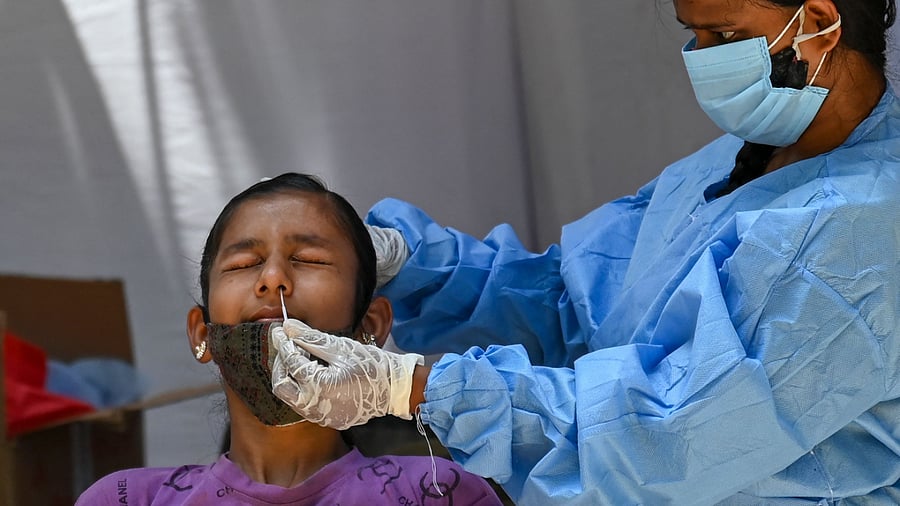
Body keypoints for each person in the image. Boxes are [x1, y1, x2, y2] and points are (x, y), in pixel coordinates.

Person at [268, 0, 900, 504]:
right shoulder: (734, 162)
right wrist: (410, 262)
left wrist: (416, 388)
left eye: (722, 37)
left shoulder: (863, 230)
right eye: (693, 35)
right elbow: (577, 304)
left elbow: (668, 436)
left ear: (817, 23)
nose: (702, 60)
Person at [76, 173, 503, 505]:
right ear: (202, 334)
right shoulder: (126, 499)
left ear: (371, 325)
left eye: (308, 259)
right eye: (244, 263)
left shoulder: (442, 493)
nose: (273, 279)